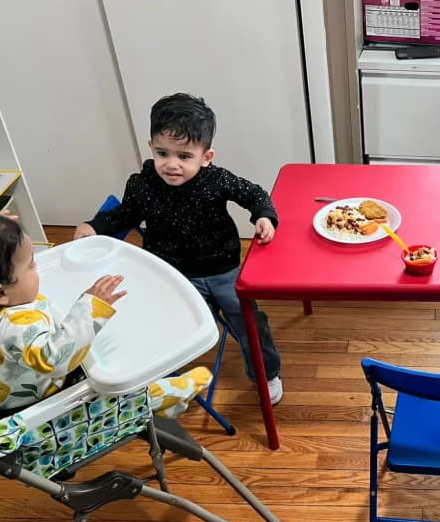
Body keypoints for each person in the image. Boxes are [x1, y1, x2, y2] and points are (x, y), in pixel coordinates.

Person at [74, 93, 284, 404]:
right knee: (173, 324)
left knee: (250, 320)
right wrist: (94, 226)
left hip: (223, 269)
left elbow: (254, 194)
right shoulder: (142, 184)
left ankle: (266, 373)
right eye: (163, 153)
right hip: (171, 273)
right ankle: (164, 381)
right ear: (151, 148)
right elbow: (124, 214)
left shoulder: (217, 180)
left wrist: (265, 217)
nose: (172, 165)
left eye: (184, 157)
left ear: (206, 157)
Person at [0, 203, 209, 416]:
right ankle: (161, 396)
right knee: (119, 388)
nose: (37, 267)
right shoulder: (14, 327)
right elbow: (55, 359)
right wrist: (91, 308)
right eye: (31, 265)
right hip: (45, 404)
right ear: (0, 294)